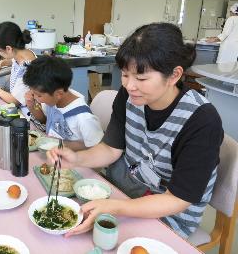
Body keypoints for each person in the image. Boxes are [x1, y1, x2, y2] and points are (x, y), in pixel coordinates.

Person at [48, 23, 223, 239]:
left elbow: (177, 199)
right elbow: (111, 149)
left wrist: (114, 207)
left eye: (141, 78)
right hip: (123, 191)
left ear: (174, 75)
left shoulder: (201, 121)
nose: (130, 86)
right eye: (124, 75)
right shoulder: (130, 95)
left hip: (167, 215)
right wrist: (76, 158)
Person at [23, 56, 103, 150]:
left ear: (59, 94)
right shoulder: (54, 100)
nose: (35, 98)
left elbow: (96, 147)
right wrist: (31, 106)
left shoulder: (84, 118)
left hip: (73, 160)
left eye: (38, 95)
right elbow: (44, 120)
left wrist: (60, 145)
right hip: (53, 154)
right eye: (32, 92)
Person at [0, 21, 35, 106]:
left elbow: (15, 101)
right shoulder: (23, 53)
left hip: (26, 112)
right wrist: (1, 63)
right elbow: (12, 60)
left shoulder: (27, 68)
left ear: (8, 49)